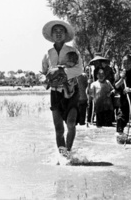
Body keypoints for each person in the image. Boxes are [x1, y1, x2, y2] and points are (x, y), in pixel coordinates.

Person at [41, 20, 83, 159]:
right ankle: (62, 156)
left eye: (61, 31)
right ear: (51, 35)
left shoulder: (72, 51)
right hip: (55, 93)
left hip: (71, 91)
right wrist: (45, 79)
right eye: (55, 31)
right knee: (59, 129)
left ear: (65, 34)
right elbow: (43, 73)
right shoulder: (48, 54)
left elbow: (79, 69)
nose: (58, 34)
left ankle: (68, 152)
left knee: (71, 123)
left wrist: (62, 72)